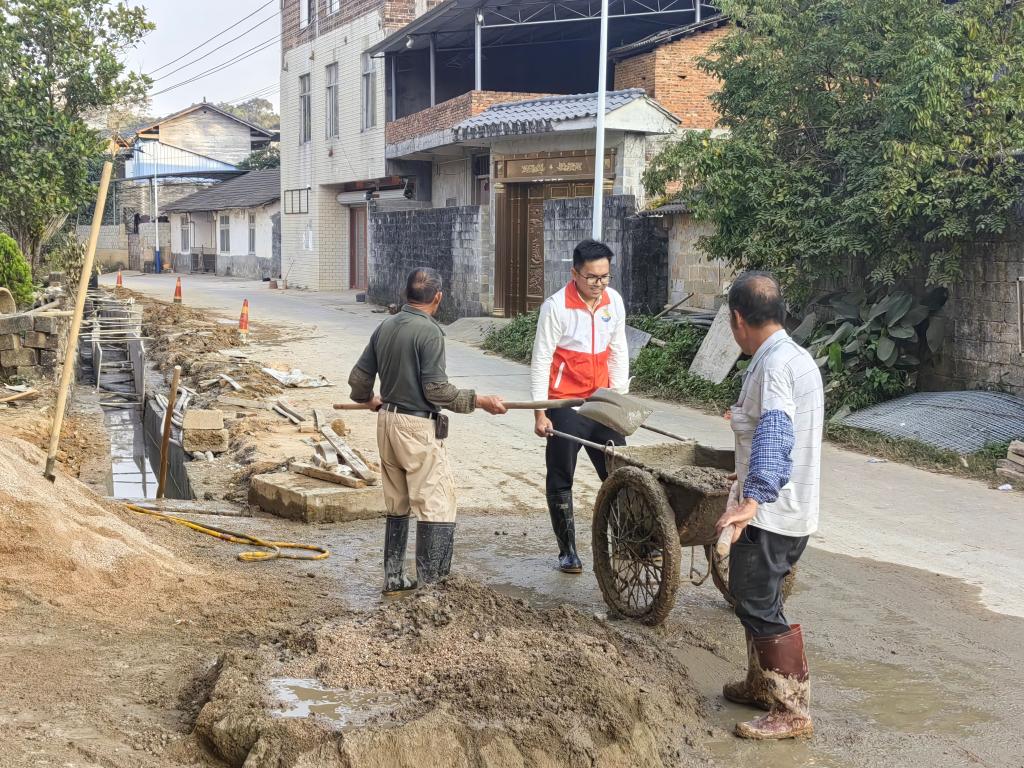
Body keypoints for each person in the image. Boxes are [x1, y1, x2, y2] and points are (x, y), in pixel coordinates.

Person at [348, 268, 507, 595]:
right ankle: (433, 592)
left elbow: (358, 380)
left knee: (398, 502)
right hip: (416, 427)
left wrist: (369, 400)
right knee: (437, 503)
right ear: (438, 297)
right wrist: (480, 401)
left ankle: (394, 578)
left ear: (406, 294)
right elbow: (437, 391)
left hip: (387, 422)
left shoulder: (385, 326)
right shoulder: (430, 332)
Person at [714, 271, 824, 740]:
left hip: (773, 512)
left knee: (756, 601)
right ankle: (760, 683)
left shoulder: (775, 365)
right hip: (792, 505)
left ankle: (791, 709)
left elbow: (776, 430)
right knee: (760, 596)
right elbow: (768, 430)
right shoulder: (794, 356)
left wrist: (753, 497)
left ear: (738, 319)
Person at [530, 239, 629, 573]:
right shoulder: (556, 307)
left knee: (620, 473)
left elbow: (618, 351)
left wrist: (619, 399)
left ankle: (628, 541)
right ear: (575, 274)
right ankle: (568, 551)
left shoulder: (613, 301)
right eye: (592, 277)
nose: (599, 284)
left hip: (601, 402)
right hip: (565, 404)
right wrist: (540, 412)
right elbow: (541, 360)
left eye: (605, 276)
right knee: (561, 475)